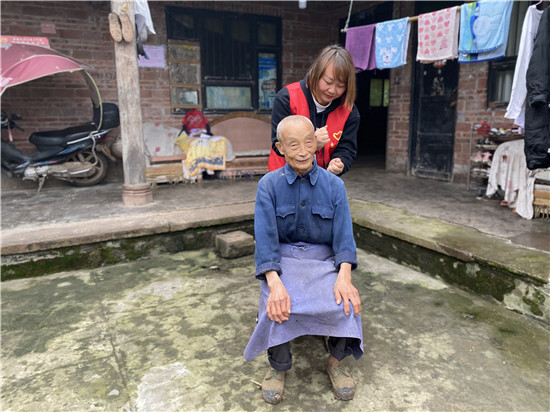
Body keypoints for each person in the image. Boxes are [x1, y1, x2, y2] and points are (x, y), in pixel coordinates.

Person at [244, 115, 363, 404]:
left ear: (316, 144)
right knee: (276, 304)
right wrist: (274, 283)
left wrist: (344, 277)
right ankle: (278, 366)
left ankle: (336, 361)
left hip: (323, 261)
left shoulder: (334, 186)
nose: (302, 151)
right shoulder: (268, 185)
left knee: (346, 302)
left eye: (309, 142)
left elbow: (344, 237)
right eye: (293, 144)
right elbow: (266, 240)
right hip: (282, 261)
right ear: (280, 148)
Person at [267, 45, 360, 176]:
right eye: (328, 82)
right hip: (284, 176)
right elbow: (278, 145)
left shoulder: (349, 110)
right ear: (316, 73)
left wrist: (340, 162)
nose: (332, 90)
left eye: (340, 86)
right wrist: (312, 144)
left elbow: (347, 148)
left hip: (321, 178)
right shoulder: (287, 98)